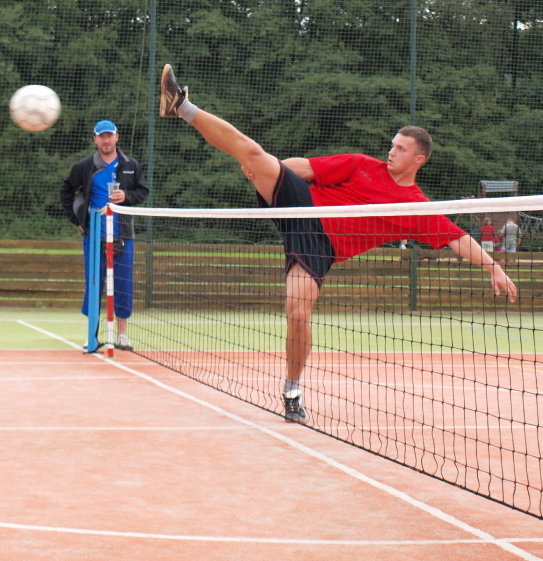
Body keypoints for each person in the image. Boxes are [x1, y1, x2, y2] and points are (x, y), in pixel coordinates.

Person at [158, 64, 517, 424]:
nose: (391, 151)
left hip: (319, 246)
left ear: (418, 159)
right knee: (252, 152)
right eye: (392, 145)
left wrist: (494, 268)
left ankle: (292, 391)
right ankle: (181, 105)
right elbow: (303, 168)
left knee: (298, 312)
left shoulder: (416, 208)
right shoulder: (361, 164)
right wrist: (265, 168)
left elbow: (458, 238)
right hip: (302, 204)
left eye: (401, 148)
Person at [60, 120, 149, 350]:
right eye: (102, 136)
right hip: (94, 236)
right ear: (95, 139)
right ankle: (92, 335)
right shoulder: (84, 166)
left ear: (116, 137)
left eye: (110, 136)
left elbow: (142, 191)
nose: (106, 140)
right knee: (94, 284)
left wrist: (126, 196)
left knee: (123, 284)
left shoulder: (131, 165)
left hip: (123, 235)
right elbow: (66, 191)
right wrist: (78, 221)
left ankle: (122, 335)